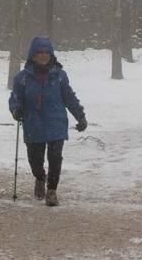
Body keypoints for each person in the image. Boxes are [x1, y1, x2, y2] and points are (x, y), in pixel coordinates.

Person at [9, 36, 87, 207]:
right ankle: (39, 177)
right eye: (39, 53)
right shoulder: (22, 78)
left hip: (56, 123)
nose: (43, 56)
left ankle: (51, 190)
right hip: (33, 123)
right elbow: (15, 98)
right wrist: (16, 110)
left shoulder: (60, 76)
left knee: (55, 157)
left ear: (51, 55)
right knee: (35, 160)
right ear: (32, 55)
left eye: (47, 53)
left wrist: (80, 116)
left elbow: (69, 97)